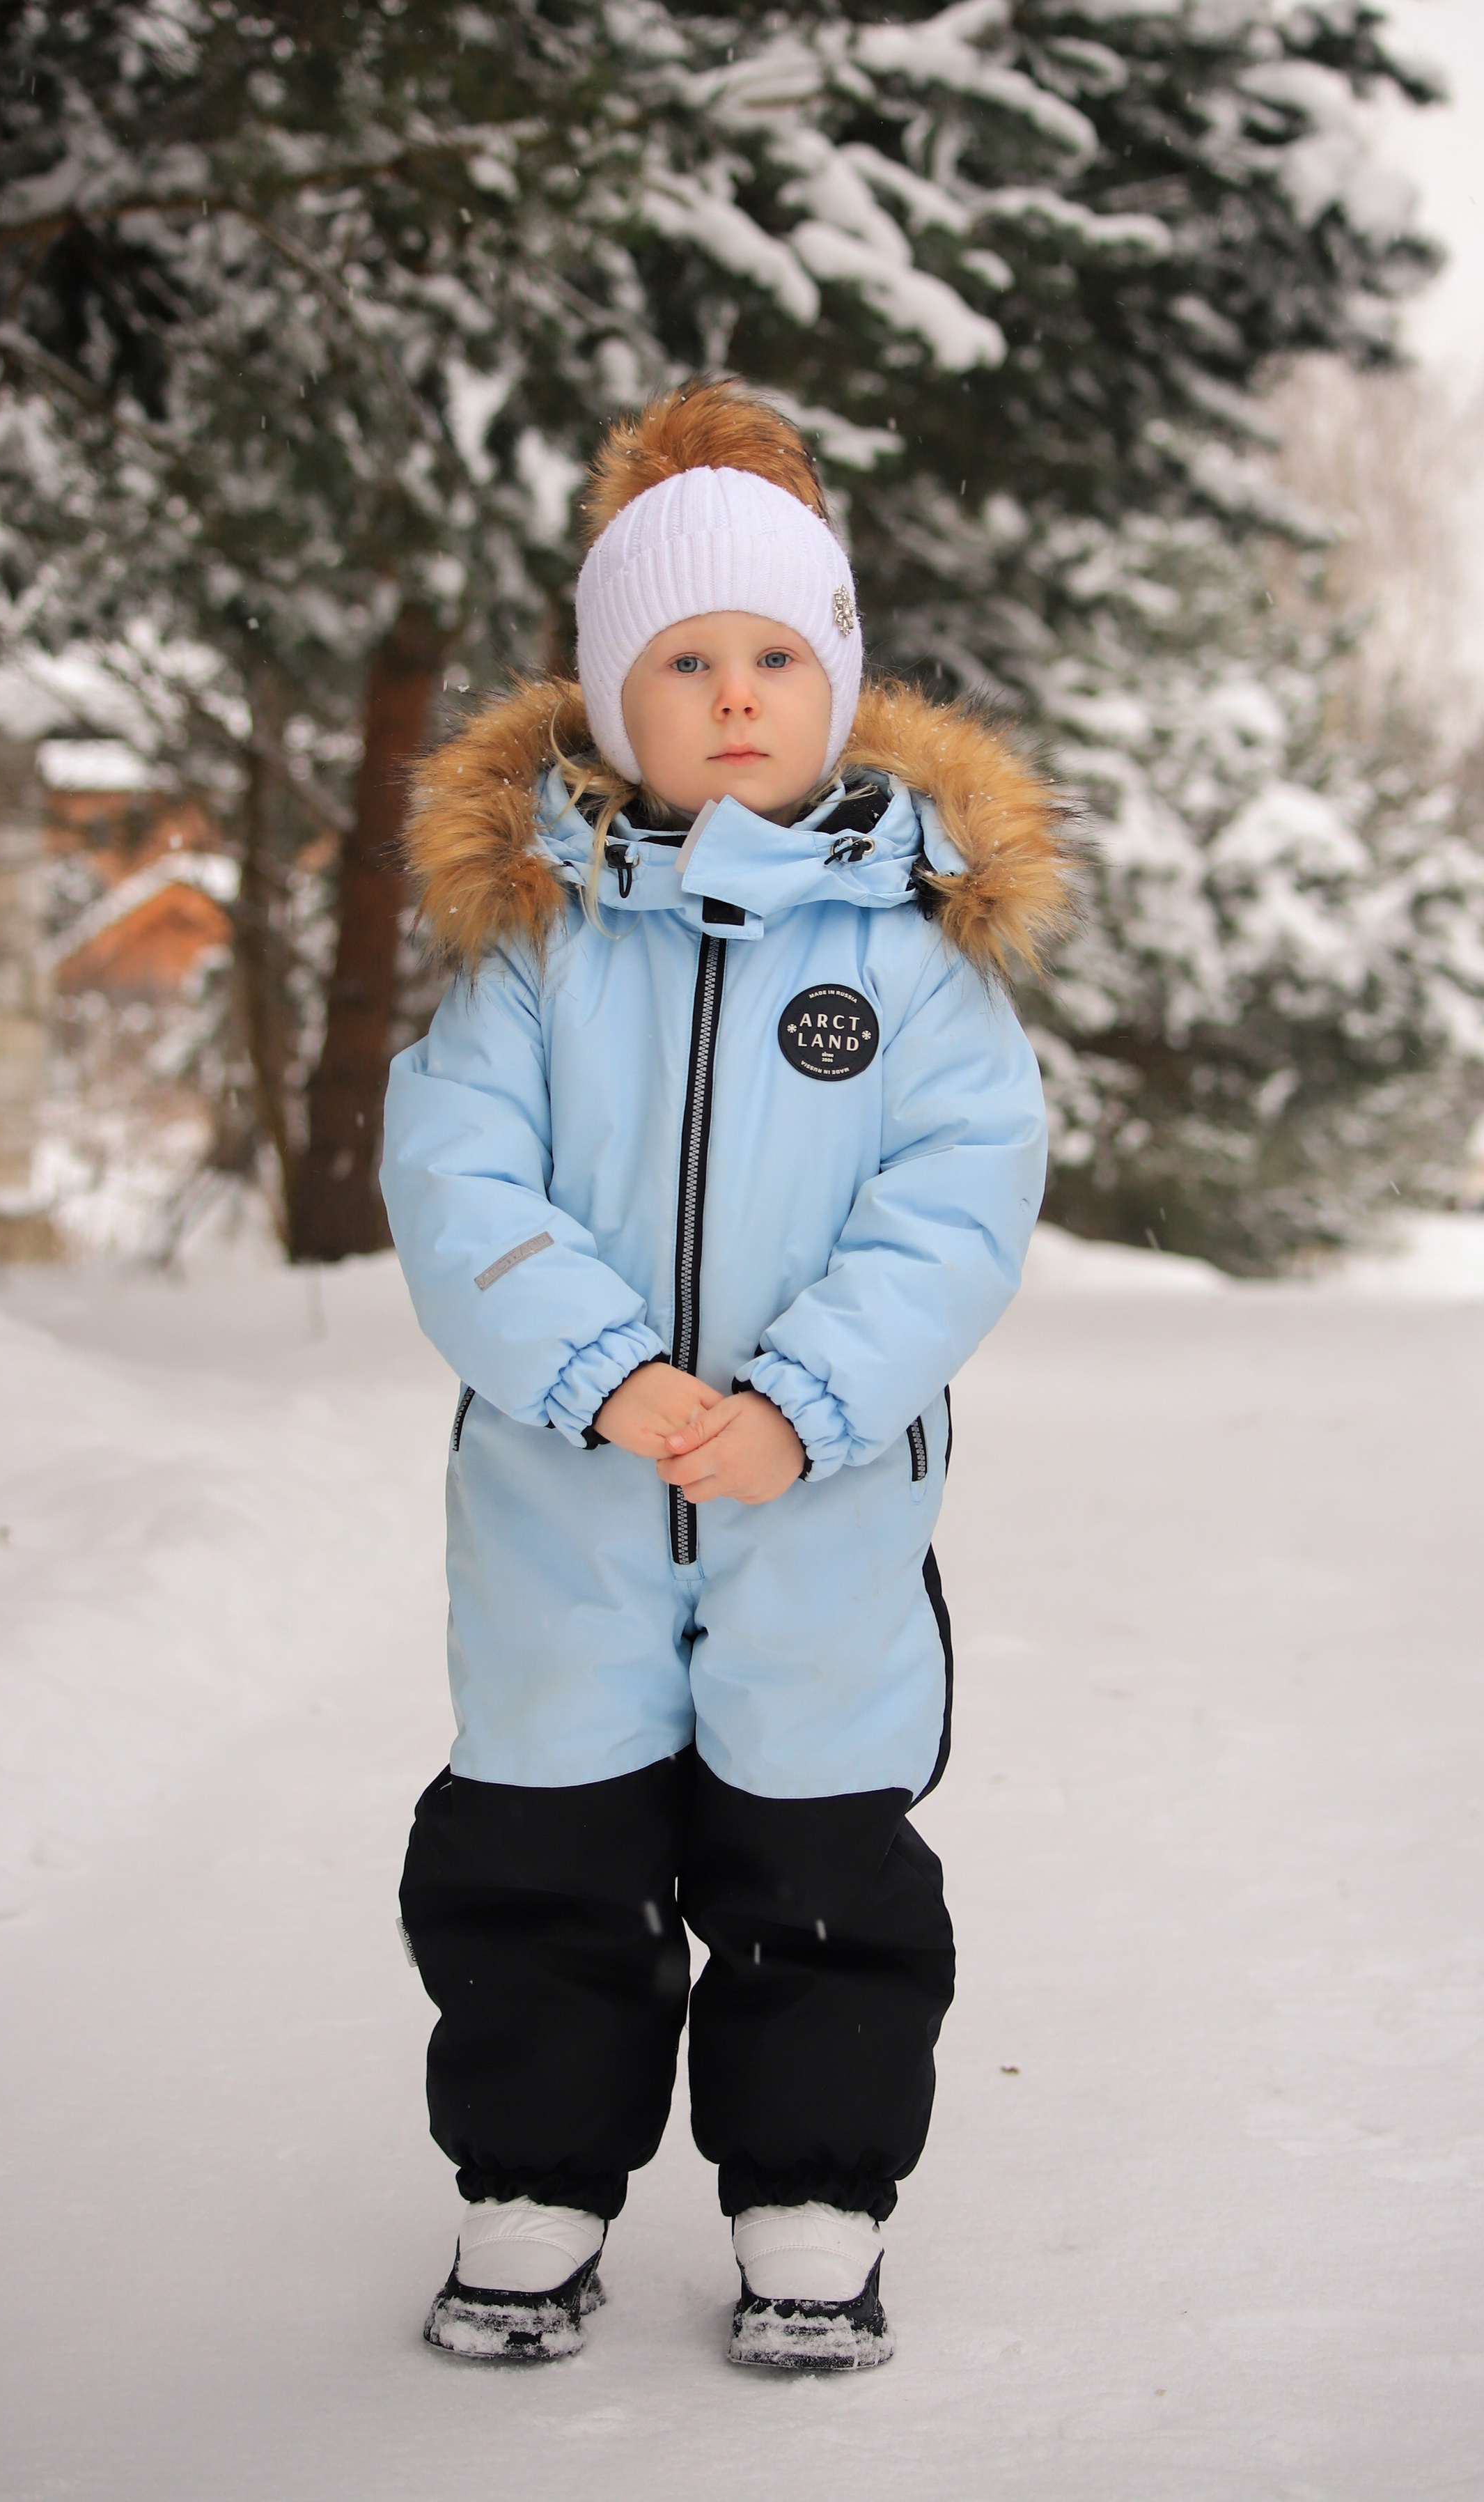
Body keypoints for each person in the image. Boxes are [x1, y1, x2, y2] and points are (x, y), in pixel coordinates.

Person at [381, 380, 1075, 2372]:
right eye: (685, 660)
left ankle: (812, 2202)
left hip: (821, 1513)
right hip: (566, 1508)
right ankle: (532, 2190)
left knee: (818, 1864)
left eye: (776, 653)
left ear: (837, 678)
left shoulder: (913, 959)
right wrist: (604, 1374)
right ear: (615, 698)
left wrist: (804, 1405)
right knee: (546, 1855)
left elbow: (957, 1201)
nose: (737, 693)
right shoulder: (534, 950)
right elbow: (457, 1177)